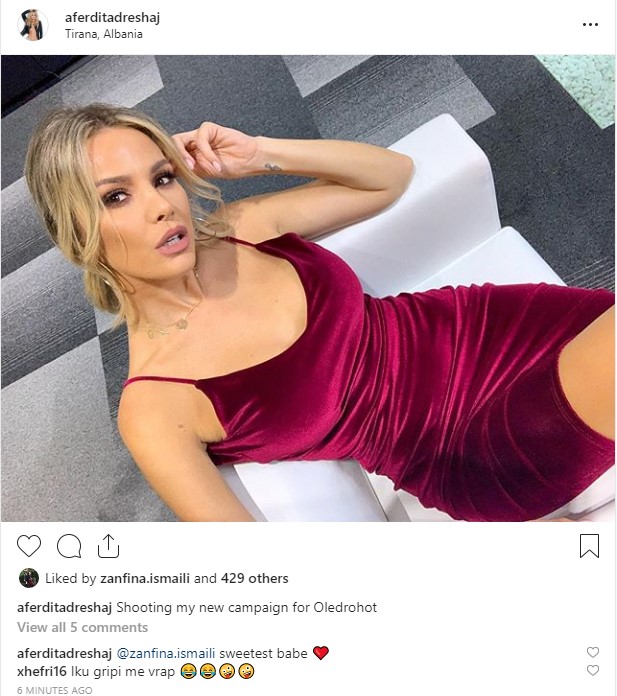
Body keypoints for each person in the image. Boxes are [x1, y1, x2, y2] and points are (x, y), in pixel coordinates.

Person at [24, 104, 614, 522]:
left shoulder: (236, 229)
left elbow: (390, 177)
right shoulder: (155, 407)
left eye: (162, 177)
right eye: (116, 196)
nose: (161, 206)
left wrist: (260, 154)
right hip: (469, 445)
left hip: (492, 323)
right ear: (75, 230)